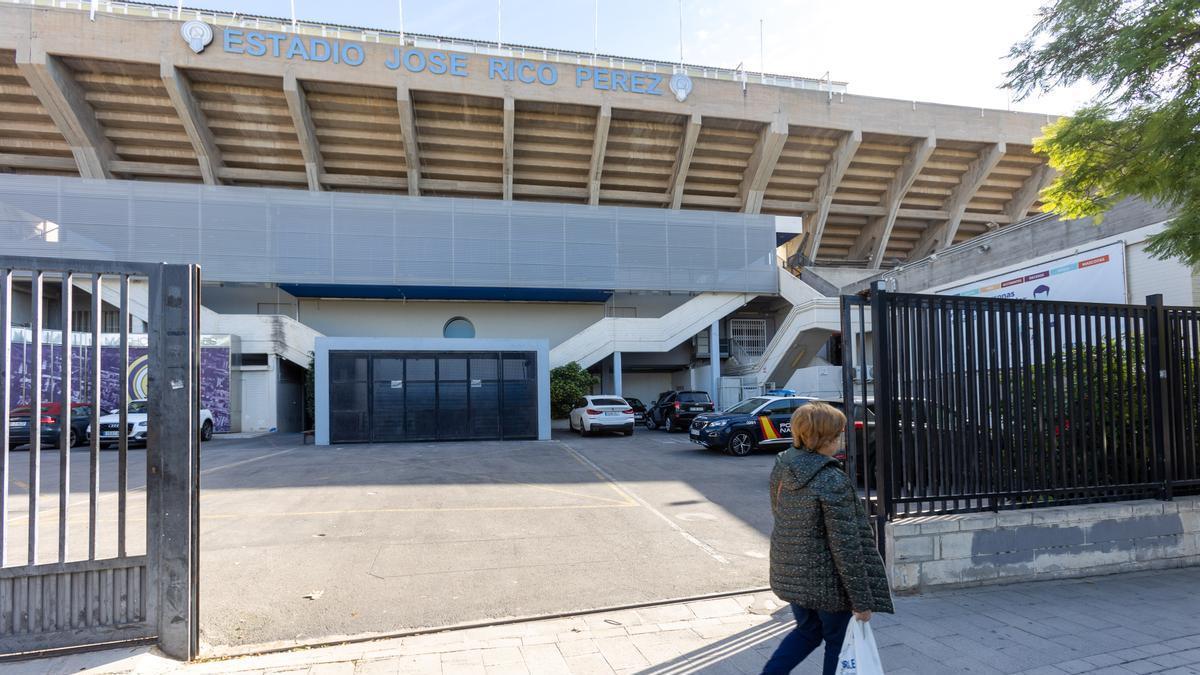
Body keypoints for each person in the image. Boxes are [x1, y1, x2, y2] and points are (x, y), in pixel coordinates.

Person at [762, 402, 893, 675]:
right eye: (840, 433)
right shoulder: (831, 479)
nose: (843, 438)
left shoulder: (783, 464)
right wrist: (861, 601)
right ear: (827, 438)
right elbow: (846, 545)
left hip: (793, 572)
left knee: (808, 631)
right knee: (838, 641)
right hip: (829, 584)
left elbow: (780, 513)